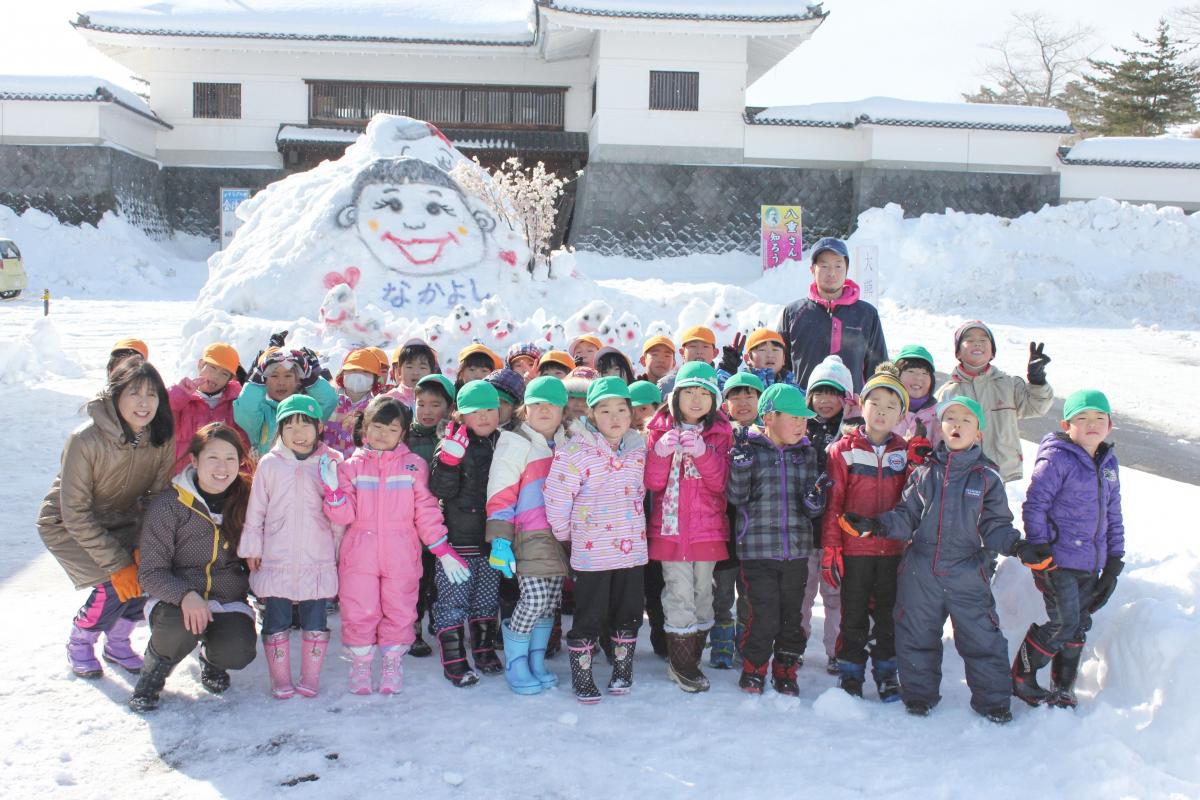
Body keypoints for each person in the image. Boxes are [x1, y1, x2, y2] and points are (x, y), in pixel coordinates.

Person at [839, 396, 1056, 724]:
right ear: (940, 428)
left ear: (978, 433)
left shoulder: (986, 478)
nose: (957, 425)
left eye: (966, 420)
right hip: (920, 569)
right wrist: (874, 525)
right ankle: (919, 696)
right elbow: (906, 515)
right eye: (950, 419)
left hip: (968, 571)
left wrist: (1020, 548)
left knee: (982, 637)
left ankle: (993, 702)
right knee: (915, 634)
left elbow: (996, 526)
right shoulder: (925, 471)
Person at [38, 360, 175, 679]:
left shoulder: (161, 437)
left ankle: (117, 642)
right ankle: (80, 642)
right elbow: (74, 511)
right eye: (134, 393)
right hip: (66, 523)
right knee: (111, 584)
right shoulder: (85, 439)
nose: (144, 403)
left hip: (124, 519)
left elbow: (156, 497)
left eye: (152, 394)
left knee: (146, 576)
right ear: (115, 397)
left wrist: (145, 546)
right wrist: (117, 564)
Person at [323, 396, 466, 694]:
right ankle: (361, 664)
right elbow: (344, 514)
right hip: (359, 552)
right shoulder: (350, 467)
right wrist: (333, 490)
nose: (382, 434)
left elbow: (425, 511)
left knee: (400, 608)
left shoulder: (413, 466)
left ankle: (391, 662)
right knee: (359, 608)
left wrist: (442, 549)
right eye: (377, 426)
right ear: (365, 429)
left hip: (402, 552)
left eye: (392, 428)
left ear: (402, 433)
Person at [130, 423, 258, 711]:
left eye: (230, 458)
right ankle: (152, 675)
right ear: (195, 460)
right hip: (175, 601)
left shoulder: (249, 500)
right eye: (213, 457)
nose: (222, 467)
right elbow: (150, 572)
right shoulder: (171, 504)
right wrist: (187, 595)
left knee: (238, 651)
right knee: (177, 628)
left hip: (226, 599)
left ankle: (212, 660)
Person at [1013, 389, 1124, 709]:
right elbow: (1035, 505)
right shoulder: (1058, 457)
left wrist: (1114, 562)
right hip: (1057, 560)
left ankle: (1063, 687)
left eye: (1099, 418)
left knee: (1078, 623)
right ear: (1066, 425)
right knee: (1063, 621)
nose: (1092, 424)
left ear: (1110, 425)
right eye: (1082, 418)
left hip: (1091, 562)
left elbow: (1113, 514)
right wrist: (1041, 548)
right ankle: (1021, 675)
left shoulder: (1108, 463)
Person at [545, 377, 649, 703]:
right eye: (605, 410)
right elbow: (557, 497)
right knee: (589, 615)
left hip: (632, 552)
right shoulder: (574, 451)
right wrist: (566, 536)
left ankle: (622, 669)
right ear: (591, 414)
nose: (615, 417)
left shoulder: (638, 448)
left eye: (621, 409)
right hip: (593, 553)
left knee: (628, 613)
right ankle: (583, 674)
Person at [726, 384, 829, 695]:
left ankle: (786, 668)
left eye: (804, 419)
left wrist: (815, 501)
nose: (801, 424)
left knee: (792, 617)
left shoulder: (807, 453)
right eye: (794, 417)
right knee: (764, 615)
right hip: (758, 551)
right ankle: (754, 668)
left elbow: (813, 504)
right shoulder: (750, 449)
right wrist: (741, 467)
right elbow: (736, 496)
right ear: (769, 418)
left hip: (796, 550)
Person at [239, 395, 342, 699]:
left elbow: (340, 516)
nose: (299, 433)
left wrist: (339, 551)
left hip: (317, 556)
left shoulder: (331, 461)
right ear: (280, 430)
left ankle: (310, 677)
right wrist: (252, 548)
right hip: (277, 556)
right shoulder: (270, 465)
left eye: (306, 424)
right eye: (290, 425)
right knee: (276, 618)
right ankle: (280, 678)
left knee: (315, 619)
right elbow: (256, 509)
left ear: (319, 427)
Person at [821, 364, 909, 701]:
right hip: (855, 552)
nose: (882, 412)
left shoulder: (904, 451)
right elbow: (834, 505)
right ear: (862, 405)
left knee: (888, 616)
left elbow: (912, 503)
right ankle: (850, 673)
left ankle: (887, 673)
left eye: (892, 406)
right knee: (853, 615)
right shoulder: (842, 450)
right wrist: (832, 549)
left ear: (902, 413)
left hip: (892, 551)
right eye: (876, 403)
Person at [644, 362, 732, 693]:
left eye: (704, 394)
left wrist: (704, 453)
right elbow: (652, 483)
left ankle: (690, 656)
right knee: (678, 594)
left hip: (707, 529)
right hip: (669, 529)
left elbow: (721, 482)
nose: (696, 400)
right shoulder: (657, 430)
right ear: (675, 396)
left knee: (703, 593)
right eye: (689, 393)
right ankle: (683, 665)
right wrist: (661, 452)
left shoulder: (721, 433)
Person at [485, 376, 571, 695]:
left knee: (549, 603)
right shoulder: (515, 442)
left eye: (550, 404)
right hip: (528, 534)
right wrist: (500, 539)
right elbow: (501, 493)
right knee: (532, 599)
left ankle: (536, 660)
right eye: (536, 404)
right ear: (525, 409)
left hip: (560, 536)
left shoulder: (568, 443)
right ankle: (515, 662)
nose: (543, 410)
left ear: (563, 410)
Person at [429, 381, 504, 687]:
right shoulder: (450, 442)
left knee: (487, 598)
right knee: (453, 600)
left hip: (492, 539)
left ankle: (484, 650)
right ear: (461, 416)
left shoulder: (504, 441)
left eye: (490, 409)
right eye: (475, 412)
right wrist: (448, 462)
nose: (484, 417)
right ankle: (454, 658)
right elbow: (439, 489)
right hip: (458, 540)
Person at [935, 321, 1053, 482]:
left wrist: (1037, 380)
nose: (977, 343)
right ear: (958, 353)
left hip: (1000, 471)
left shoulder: (1009, 384)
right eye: (969, 339)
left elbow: (1037, 407)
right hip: (959, 474)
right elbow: (936, 434)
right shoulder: (947, 393)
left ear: (992, 352)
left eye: (983, 340)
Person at [776, 237, 888, 393]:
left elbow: (878, 368)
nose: (832, 273)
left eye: (838, 265)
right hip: (803, 410)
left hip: (851, 410)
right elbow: (779, 365)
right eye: (824, 265)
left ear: (847, 269)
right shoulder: (793, 313)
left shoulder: (867, 314)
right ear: (812, 269)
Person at [709, 371, 764, 670]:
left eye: (749, 396)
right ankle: (720, 635)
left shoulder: (768, 434)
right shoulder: (720, 433)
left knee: (749, 588)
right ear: (725, 402)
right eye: (735, 397)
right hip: (724, 523)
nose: (742, 403)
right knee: (722, 587)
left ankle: (745, 634)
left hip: (755, 526)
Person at [803, 355, 854, 674]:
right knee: (801, 594)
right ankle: (795, 644)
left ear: (846, 398)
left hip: (836, 532)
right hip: (805, 530)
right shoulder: (799, 429)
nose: (824, 401)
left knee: (835, 596)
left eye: (833, 393)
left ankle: (836, 649)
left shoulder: (852, 434)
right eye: (819, 393)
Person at [403, 373, 456, 658]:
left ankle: (438, 618)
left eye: (435, 405)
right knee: (415, 579)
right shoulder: (405, 436)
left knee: (439, 577)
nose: (426, 411)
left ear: (449, 407)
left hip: (443, 521)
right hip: (410, 523)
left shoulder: (454, 436)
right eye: (421, 404)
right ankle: (413, 630)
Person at [234, 341, 337, 457]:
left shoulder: (306, 409)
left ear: (298, 380)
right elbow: (245, 411)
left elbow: (329, 401)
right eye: (274, 376)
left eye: (288, 376)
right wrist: (256, 379)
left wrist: (310, 377)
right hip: (269, 471)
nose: (281, 382)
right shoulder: (262, 412)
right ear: (264, 381)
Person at [167, 342, 246, 474]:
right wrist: (180, 394)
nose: (216, 377)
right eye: (213, 368)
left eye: (224, 374)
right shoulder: (183, 399)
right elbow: (161, 413)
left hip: (219, 479)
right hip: (180, 478)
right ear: (200, 365)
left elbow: (243, 445)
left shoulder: (236, 403)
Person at [324, 348, 387, 458]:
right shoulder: (329, 398)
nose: (358, 376)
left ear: (375, 379)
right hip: (324, 465)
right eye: (353, 370)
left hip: (356, 469)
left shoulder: (376, 407)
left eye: (365, 372)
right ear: (342, 374)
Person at [717, 328, 799, 390]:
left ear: (784, 359)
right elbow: (717, 397)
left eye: (775, 350)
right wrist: (727, 367)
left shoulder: (793, 389)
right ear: (747, 358)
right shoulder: (742, 383)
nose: (770, 355)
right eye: (762, 350)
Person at [893, 345, 941, 449]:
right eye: (911, 371)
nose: (919, 377)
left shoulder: (940, 415)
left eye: (925, 373)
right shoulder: (881, 407)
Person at [657, 326, 718, 397]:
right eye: (693, 346)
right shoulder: (667, 385)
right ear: (682, 352)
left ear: (715, 353)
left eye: (705, 347)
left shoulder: (722, 383)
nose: (699, 351)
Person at [385, 338, 440, 408]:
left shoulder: (438, 399)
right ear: (399, 372)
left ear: (431, 373)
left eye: (422, 367)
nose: (416, 372)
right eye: (409, 367)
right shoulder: (389, 400)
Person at [484, 368, 526, 432]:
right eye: (488, 400)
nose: (495, 405)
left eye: (503, 402)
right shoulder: (467, 432)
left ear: (516, 408)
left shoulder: (523, 437)